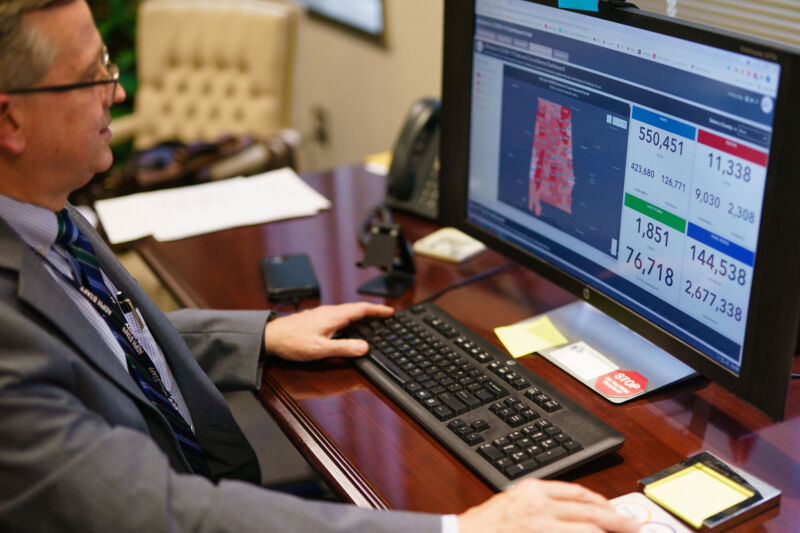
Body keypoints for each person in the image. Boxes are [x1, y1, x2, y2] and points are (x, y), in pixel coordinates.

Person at [0, 1, 640, 532]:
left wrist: (262, 336)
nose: (116, 90)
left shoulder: (48, 217)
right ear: (11, 119)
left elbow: (103, 345)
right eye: (90, 76)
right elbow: (161, 515)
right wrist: (463, 529)